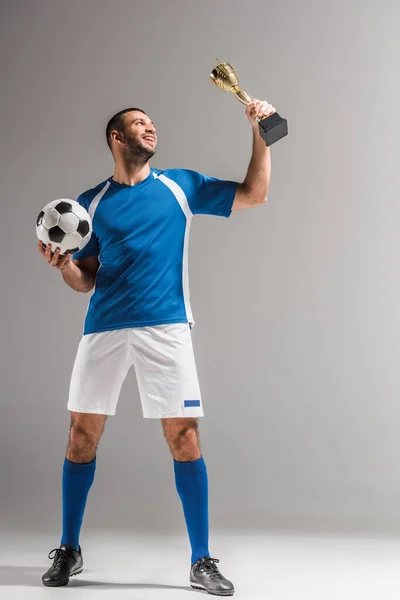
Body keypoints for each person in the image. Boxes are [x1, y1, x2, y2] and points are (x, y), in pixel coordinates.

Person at [38, 98, 274, 595]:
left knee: (184, 437)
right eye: (139, 124)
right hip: (103, 328)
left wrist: (260, 133)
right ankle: (69, 548)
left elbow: (255, 193)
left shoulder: (179, 186)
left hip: (166, 328)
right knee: (81, 434)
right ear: (116, 139)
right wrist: (64, 265)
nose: (151, 129)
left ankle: (202, 560)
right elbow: (85, 280)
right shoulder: (90, 204)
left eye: (152, 125)